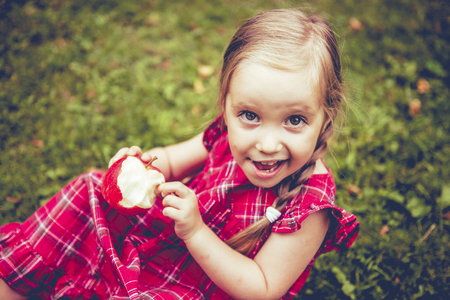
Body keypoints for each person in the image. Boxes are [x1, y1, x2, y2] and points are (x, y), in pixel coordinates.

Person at [0, 9, 359, 300]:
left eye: (294, 120)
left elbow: (261, 286)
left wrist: (196, 232)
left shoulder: (310, 206)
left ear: (325, 114)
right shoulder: (224, 135)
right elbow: (170, 162)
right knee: (89, 189)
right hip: (168, 241)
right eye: (250, 116)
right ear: (227, 104)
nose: (266, 144)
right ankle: (16, 286)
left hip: (204, 288)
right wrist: (137, 169)